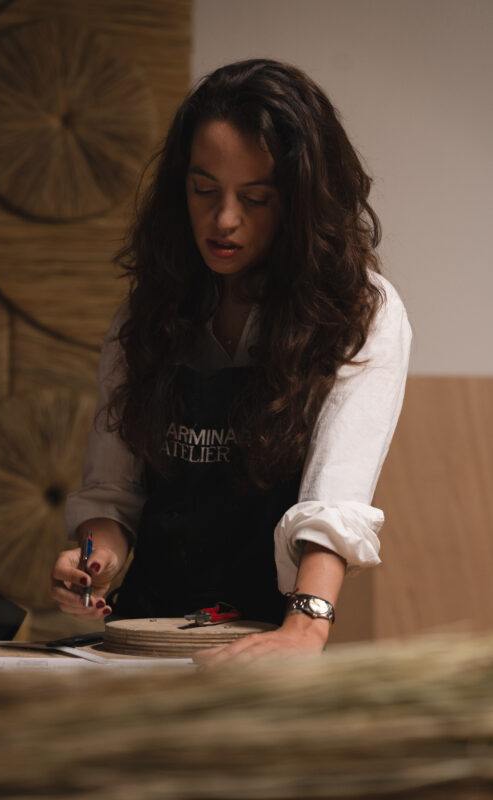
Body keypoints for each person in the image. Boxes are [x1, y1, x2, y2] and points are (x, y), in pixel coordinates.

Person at [51, 59, 411, 664]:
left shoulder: (359, 312)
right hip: (141, 635)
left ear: (301, 201)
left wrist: (305, 629)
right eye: (203, 189)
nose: (223, 220)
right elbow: (111, 494)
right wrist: (94, 556)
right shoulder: (148, 313)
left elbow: (336, 499)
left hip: (264, 635)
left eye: (257, 198)